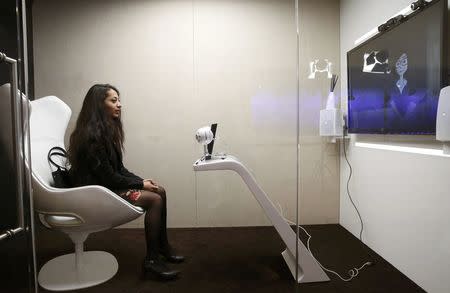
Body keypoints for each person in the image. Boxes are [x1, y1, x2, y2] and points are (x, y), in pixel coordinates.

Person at [68, 84, 184, 280]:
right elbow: (109, 179)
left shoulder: (107, 133)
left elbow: (119, 170)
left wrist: (142, 181)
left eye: (119, 100)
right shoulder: (91, 139)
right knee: (154, 200)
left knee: (160, 191)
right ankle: (152, 261)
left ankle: (162, 247)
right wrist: (141, 186)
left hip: (106, 187)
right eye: (113, 101)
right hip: (95, 194)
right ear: (99, 105)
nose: (119, 105)